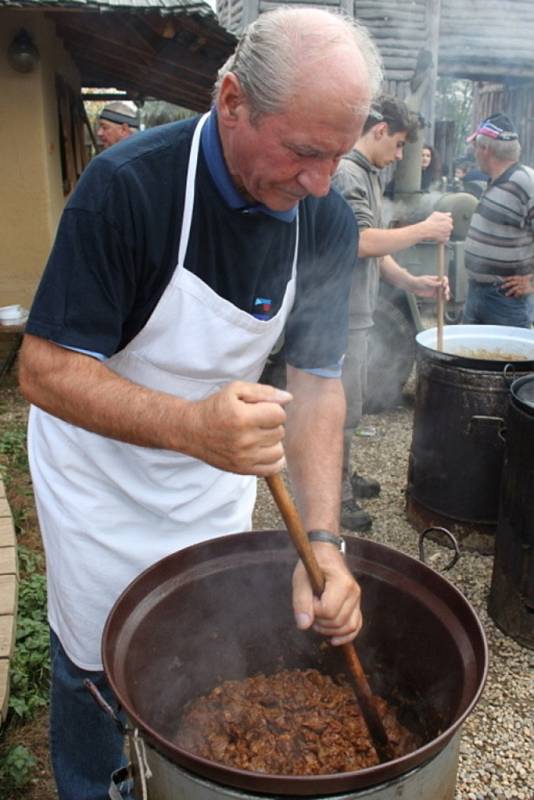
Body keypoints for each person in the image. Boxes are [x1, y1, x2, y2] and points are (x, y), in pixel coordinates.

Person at [17, 8, 383, 800]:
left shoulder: (322, 216)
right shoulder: (125, 190)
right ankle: (92, 781)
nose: (320, 182)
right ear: (231, 101)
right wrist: (190, 426)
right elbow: (43, 371)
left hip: (211, 481)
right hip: (99, 481)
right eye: (303, 151)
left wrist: (321, 540)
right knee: (92, 657)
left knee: (190, 642)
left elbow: (317, 382)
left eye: (339, 156)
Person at [332, 95, 452, 532]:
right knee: (339, 410)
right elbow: (362, 241)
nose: (400, 155)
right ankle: (335, 494)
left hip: (356, 312)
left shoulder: (367, 174)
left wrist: (413, 283)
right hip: (338, 315)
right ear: (379, 130)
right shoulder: (347, 173)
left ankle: (343, 475)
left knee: (352, 407)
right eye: (399, 144)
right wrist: (425, 230)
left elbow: (375, 253)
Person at [462, 113, 534, 328]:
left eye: (475, 147)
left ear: (485, 150)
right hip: (477, 292)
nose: (474, 153)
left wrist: (531, 281)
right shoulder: (496, 181)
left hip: (505, 299)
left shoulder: (526, 184)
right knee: (470, 358)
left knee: (507, 361)